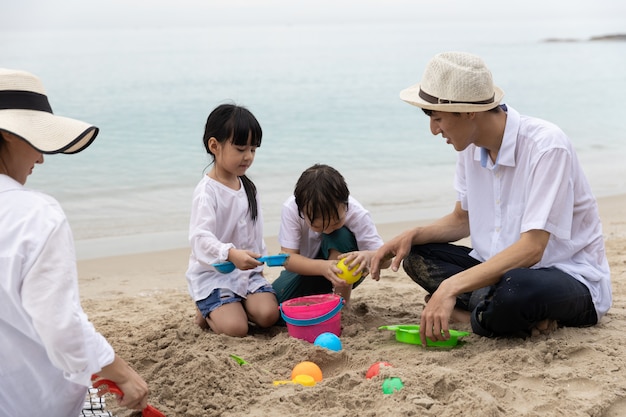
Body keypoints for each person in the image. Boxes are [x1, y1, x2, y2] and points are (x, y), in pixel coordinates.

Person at [370, 52, 612, 344]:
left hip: (563, 276)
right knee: (417, 254)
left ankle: (471, 313)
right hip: (497, 272)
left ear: (469, 111)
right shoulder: (470, 147)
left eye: (437, 118)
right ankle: (495, 311)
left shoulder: (547, 147)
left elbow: (533, 249)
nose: (434, 130)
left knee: (516, 290)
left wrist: (449, 288)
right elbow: (462, 219)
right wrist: (413, 234)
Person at [0, 68, 149, 416]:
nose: (40, 157)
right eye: (36, 141)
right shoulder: (34, 214)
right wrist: (123, 373)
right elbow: (59, 324)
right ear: (7, 135)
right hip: (32, 402)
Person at [186, 103, 279, 337]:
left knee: (269, 315)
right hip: (215, 275)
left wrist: (259, 261)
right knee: (236, 329)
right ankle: (207, 308)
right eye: (240, 149)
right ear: (214, 146)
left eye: (253, 150)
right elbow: (200, 239)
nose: (248, 157)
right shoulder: (207, 191)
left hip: (246, 273)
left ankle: (230, 307)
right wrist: (229, 254)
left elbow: (254, 235)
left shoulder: (248, 187)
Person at [272, 163, 389, 305]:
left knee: (340, 234)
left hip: (345, 274)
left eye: (336, 222)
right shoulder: (291, 208)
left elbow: (387, 260)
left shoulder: (357, 214)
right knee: (275, 306)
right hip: (307, 270)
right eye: (317, 226)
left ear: (346, 205)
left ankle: (339, 304)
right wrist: (324, 267)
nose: (327, 230)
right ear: (301, 212)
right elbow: (288, 259)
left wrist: (367, 256)